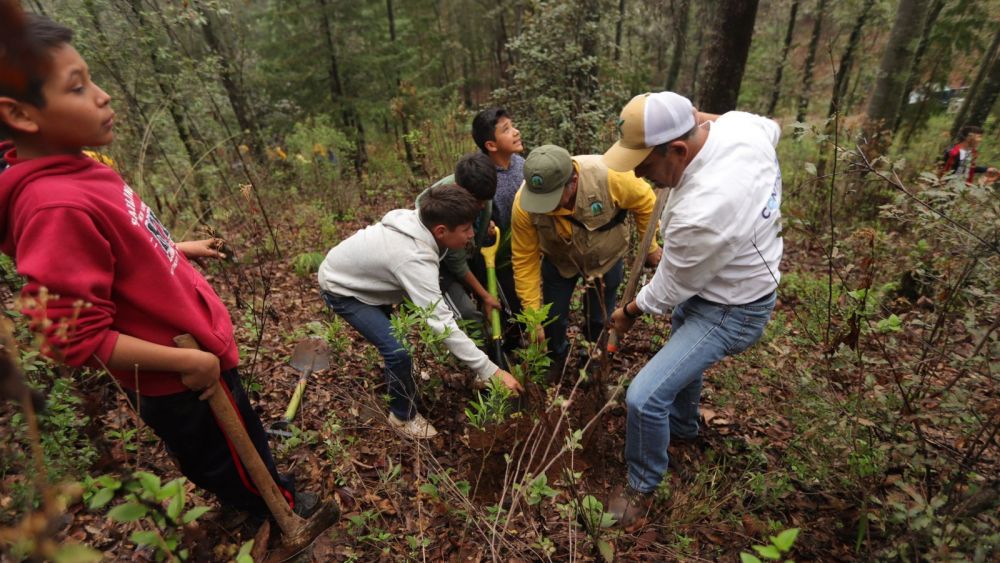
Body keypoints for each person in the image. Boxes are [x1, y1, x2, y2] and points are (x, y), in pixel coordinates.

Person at [0, 12, 305, 520]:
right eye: (78, 88)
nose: (103, 95)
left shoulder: (79, 168)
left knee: (245, 438)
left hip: (197, 354)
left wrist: (176, 248)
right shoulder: (55, 206)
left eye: (93, 78)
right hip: (180, 380)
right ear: (23, 116)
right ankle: (276, 510)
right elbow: (67, 338)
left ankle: (267, 491)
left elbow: (113, 253)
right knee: (228, 459)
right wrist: (191, 362)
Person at [603, 91, 784, 527]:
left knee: (644, 398)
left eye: (645, 167)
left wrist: (628, 311)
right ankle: (684, 429)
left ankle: (642, 485)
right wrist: (693, 116)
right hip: (719, 285)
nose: (643, 178)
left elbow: (668, 288)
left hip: (732, 309)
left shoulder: (703, 210)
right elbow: (770, 125)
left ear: (678, 150)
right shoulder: (742, 128)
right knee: (683, 350)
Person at [318, 185, 522, 440]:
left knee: (397, 343)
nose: (471, 234)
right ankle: (402, 417)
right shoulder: (413, 257)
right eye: (466, 229)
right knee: (397, 351)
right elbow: (440, 322)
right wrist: (490, 370)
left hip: (365, 277)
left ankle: (404, 377)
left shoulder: (422, 225)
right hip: (342, 288)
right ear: (441, 231)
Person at [511, 144, 661, 371]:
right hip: (559, 263)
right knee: (552, 318)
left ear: (572, 182)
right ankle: (555, 361)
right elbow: (524, 259)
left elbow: (646, 202)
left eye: (551, 198)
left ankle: (592, 362)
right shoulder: (524, 203)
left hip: (606, 260)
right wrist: (533, 320)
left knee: (600, 318)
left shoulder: (610, 175)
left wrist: (649, 247)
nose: (543, 207)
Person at [416, 152, 500, 324]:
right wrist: (485, 297)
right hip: (439, 262)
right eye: (478, 201)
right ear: (458, 188)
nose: (483, 205)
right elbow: (458, 264)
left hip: (462, 249)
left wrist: (483, 227)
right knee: (468, 314)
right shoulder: (445, 213)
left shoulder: (480, 187)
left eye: (486, 200)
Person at [472, 107, 526, 345]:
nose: (515, 132)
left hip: (525, 252)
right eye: (506, 130)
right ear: (491, 145)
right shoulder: (480, 176)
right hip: (497, 260)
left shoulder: (522, 165)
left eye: (512, 126)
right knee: (511, 313)